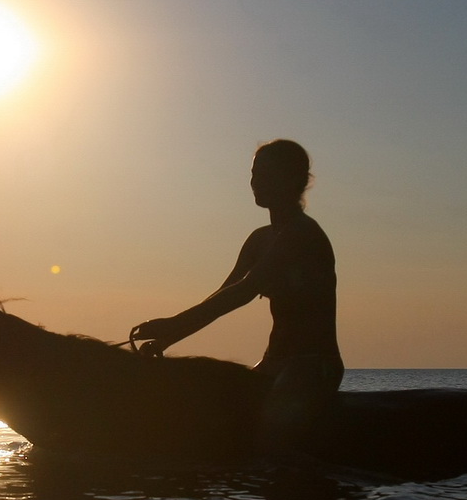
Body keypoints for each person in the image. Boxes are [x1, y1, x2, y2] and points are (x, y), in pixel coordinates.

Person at [130, 139, 343, 446]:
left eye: (267, 174)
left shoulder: (302, 233)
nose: (256, 182)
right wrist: (168, 338)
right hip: (273, 362)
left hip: (312, 366)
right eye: (254, 173)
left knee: (267, 440)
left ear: (295, 180)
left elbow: (243, 292)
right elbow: (222, 293)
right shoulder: (259, 239)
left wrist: (174, 323)